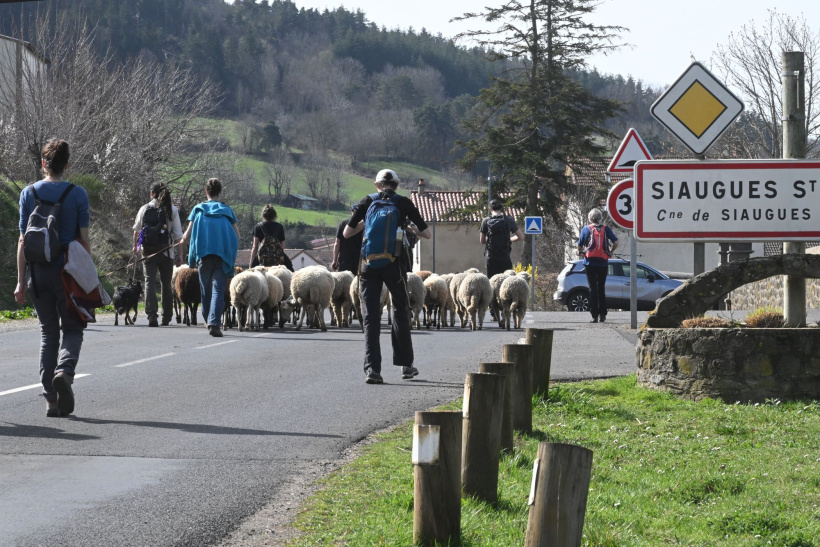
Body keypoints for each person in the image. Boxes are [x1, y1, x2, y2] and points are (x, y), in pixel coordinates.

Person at [15, 139, 90, 417]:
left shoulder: (28, 193)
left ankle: (51, 400)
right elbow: (84, 241)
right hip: (67, 273)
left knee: (48, 333)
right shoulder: (78, 194)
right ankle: (65, 371)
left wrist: (21, 282)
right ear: (67, 165)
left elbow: (23, 240)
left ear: (44, 164)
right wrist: (87, 275)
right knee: (73, 328)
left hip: (37, 273)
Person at [344, 169, 431, 384]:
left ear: (377, 185)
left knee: (371, 316)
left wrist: (366, 223)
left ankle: (373, 369)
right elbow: (426, 233)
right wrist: (408, 227)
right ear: (396, 185)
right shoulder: (403, 203)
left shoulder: (367, 201)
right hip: (395, 264)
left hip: (369, 265)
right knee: (401, 310)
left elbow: (347, 233)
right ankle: (406, 365)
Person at [180, 178, 239, 337]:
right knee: (219, 290)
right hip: (221, 255)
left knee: (205, 290)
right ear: (220, 192)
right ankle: (214, 322)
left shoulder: (198, 209)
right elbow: (237, 235)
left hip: (203, 256)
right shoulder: (227, 211)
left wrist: (182, 241)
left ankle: (208, 320)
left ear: (206, 191)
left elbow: (188, 234)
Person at [132, 183, 183, 327]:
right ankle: (166, 317)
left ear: (151, 193)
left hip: (148, 252)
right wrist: (180, 254)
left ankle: (152, 315)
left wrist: (136, 247)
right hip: (166, 252)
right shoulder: (171, 210)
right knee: (166, 284)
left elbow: (136, 231)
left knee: (149, 283)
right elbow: (178, 235)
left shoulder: (144, 209)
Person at [576, 208, 619, 323]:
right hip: (603, 262)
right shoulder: (606, 229)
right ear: (600, 218)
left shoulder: (586, 229)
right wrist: (610, 251)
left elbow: (579, 245)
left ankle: (594, 315)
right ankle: (603, 315)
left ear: (590, 218)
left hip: (589, 262)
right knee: (601, 288)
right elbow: (616, 242)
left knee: (592, 289)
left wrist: (578, 251)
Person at [479, 199, 524, 279]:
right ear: (501, 208)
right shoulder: (508, 220)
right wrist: (509, 239)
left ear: (490, 209)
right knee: (506, 282)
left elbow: (482, 241)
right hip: (505, 257)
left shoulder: (486, 221)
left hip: (491, 257)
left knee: (492, 282)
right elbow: (520, 237)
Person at [249, 203, 293, 270]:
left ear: (263, 215)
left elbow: (255, 247)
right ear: (275, 216)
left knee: (252, 273)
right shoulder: (280, 227)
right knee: (291, 269)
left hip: (262, 260)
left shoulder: (258, 227)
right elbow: (282, 247)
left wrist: (251, 263)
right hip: (277, 261)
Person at [331, 204, 363, 274]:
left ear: (351, 212)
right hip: (359, 260)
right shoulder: (363, 225)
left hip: (344, 259)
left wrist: (335, 260)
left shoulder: (343, 224)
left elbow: (337, 243)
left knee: (343, 281)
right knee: (357, 283)